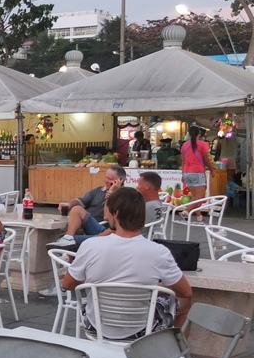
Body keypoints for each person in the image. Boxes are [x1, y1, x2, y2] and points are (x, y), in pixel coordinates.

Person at [60, 186, 192, 340]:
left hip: (96, 326)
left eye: (107, 209)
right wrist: (154, 288)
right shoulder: (159, 252)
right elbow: (186, 292)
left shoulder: (91, 246)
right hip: (141, 329)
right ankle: (174, 351)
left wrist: (96, 282)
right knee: (185, 301)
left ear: (116, 213)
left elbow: (67, 284)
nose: (106, 215)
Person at [50, 165, 126, 247]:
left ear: (120, 180)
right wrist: (69, 205)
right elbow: (80, 200)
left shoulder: (124, 196)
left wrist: (111, 195)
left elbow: (106, 217)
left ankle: (68, 242)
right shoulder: (99, 190)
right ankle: (68, 239)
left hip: (106, 230)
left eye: (110, 179)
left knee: (77, 216)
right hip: (89, 225)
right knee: (75, 210)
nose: (106, 181)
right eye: (106, 177)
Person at [181, 124, 215, 201]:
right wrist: (212, 170)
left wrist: (183, 174)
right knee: (200, 196)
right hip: (197, 171)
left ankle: (198, 213)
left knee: (194, 196)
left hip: (186, 172)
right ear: (199, 133)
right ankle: (187, 211)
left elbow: (183, 161)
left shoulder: (184, 145)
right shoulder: (202, 144)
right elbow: (206, 160)